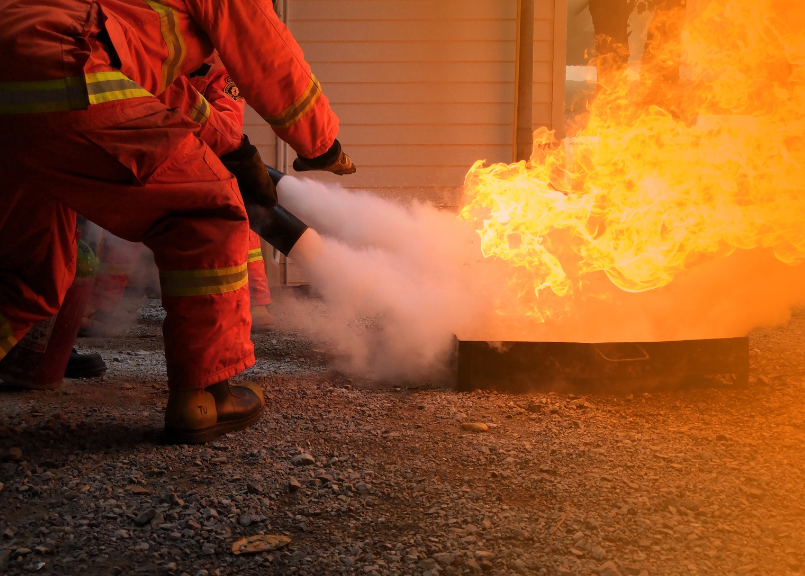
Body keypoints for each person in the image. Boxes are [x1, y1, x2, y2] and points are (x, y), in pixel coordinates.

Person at [0, 0, 355, 444]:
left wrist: (236, 147)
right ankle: (206, 397)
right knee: (206, 210)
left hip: (25, 72)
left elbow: (155, 88)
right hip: (65, 65)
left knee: (27, 274)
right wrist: (320, 143)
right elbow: (264, 47)